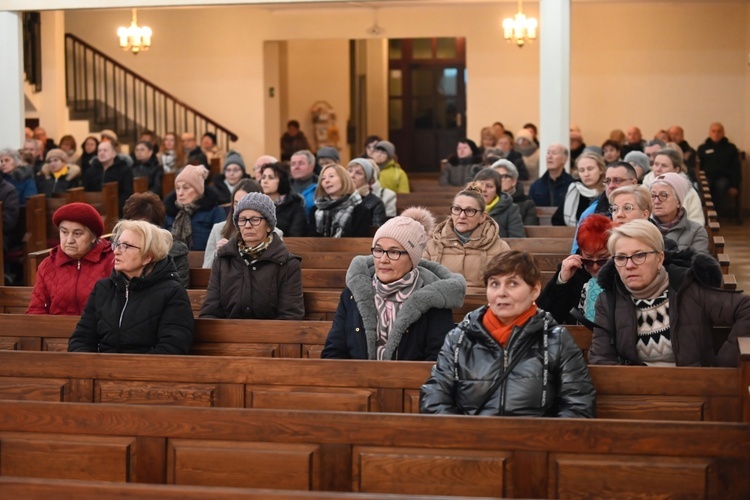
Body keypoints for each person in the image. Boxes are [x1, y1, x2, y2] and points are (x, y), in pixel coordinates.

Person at [420, 250, 595, 417]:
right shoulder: (459, 338)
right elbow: (434, 397)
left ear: (534, 290)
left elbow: (578, 404)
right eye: (494, 284)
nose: (501, 293)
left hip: (535, 444)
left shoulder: (556, 340)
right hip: (472, 442)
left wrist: (543, 440)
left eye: (513, 284)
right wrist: (465, 436)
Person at [591, 219, 750, 367]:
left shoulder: (689, 288)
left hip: (696, 388)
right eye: (621, 257)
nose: (629, 265)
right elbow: (601, 358)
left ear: (659, 258)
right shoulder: (608, 300)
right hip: (636, 391)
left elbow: (747, 308)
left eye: (639, 255)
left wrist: (723, 367)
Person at [321, 207, 466, 360]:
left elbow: (439, 359)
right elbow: (334, 351)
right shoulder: (354, 293)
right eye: (378, 250)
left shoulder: (434, 297)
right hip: (355, 381)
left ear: (412, 259)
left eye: (394, 252)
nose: (383, 259)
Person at [68, 220, 194, 354]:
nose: (116, 251)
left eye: (126, 246)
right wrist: (92, 369)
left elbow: (172, 347)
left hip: (146, 372)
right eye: (117, 245)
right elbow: (81, 339)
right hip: (100, 370)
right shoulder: (103, 288)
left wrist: (128, 370)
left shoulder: (172, 292)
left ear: (147, 257)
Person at [200, 192, 304, 320]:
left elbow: (290, 316)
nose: (248, 225)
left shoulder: (287, 264)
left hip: (272, 337)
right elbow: (210, 312)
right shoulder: (223, 260)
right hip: (227, 336)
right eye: (242, 220)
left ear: (268, 226)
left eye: (255, 220)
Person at [26, 203, 114, 315]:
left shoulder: (112, 261)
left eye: (77, 233)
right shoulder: (48, 265)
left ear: (93, 237)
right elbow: (36, 310)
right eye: (64, 232)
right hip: (56, 331)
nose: (69, 240)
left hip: (100, 331)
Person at [424, 185, 511, 293]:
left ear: (482, 217)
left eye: (469, 211)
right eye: (457, 209)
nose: (462, 216)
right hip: (441, 304)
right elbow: (422, 282)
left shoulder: (500, 248)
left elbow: (507, 284)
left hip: (483, 305)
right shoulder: (432, 245)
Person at [537, 214, 612, 325]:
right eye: (589, 261)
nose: (595, 267)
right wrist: (561, 281)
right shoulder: (574, 270)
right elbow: (545, 319)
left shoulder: (621, 271)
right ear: (581, 253)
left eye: (603, 260)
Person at [123, 192, 190, 288]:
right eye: (132, 225)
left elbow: (179, 291)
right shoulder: (121, 250)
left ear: (156, 227)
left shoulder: (176, 253)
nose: (135, 230)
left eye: (141, 226)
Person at [203, 178, 263, 269]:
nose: (239, 208)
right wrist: (218, 253)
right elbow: (205, 270)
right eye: (236, 203)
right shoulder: (218, 229)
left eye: (245, 203)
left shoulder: (274, 233)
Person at [164, 164, 226, 251]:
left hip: (204, 261)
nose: (180, 193)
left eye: (186, 188)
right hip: (174, 261)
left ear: (198, 191)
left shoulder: (215, 211)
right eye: (177, 188)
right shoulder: (170, 212)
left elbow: (220, 241)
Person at [650, 173, 709, 253]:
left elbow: (700, 263)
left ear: (678, 202)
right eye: (653, 196)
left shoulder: (696, 231)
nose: (656, 201)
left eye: (663, 195)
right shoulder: (642, 228)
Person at [309, 164, 372, 238]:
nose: (327, 181)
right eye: (323, 178)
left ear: (343, 179)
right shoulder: (316, 209)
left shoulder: (360, 211)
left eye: (331, 176)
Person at [697, 122, 742, 218]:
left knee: (720, 185)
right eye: (713, 131)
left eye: (719, 131)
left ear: (723, 133)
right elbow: (698, 167)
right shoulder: (702, 148)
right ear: (709, 133)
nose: (716, 134)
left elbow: (736, 168)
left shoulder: (730, 148)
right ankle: (705, 213)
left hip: (724, 178)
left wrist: (735, 186)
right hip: (707, 177)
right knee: (704, 186)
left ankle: (714, 212)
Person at [82, 139, 133, 216]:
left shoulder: (124, 170)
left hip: (118, 211)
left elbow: (127, 193)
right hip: (94, 210)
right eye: (99, 151)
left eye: (105, 150)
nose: (102, 153)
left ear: (113, 154)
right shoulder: (90, 171)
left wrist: (114, 209)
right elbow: (85, 191)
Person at [552, 152, 604, 227]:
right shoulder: (574, 190)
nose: (586, 174)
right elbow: (557, 221)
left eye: (590, 169)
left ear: (601, 170)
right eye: (582, 170)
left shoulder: (609, 191)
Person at [473, 168, 525, 238]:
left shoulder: (511, 209)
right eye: (480, 185)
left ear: (497, 190)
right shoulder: (464, 207)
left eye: (489, 186)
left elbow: (517, 239)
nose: (483, 189)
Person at [260, 162, 308, 236]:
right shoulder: (255, 204)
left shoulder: (295, 206)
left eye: (271, 177)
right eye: (263, 177)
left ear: (282, 181)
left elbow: (295, 236)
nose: (265, 181)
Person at [490, 159, 539, 225]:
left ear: (513, 181)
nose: (498, 180)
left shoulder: (527, 203)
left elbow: (529, 230)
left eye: (502, 177)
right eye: (495, 177)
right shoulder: (487, 201)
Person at [346, 158, 387, 227]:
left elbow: (375, 231)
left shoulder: (376, 203)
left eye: (359, 173)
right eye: (349, 171)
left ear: (367, 179)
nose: (352, 175)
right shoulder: (338, 196)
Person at [289, 150, 318, 215]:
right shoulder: (284, 187)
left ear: (311, 166)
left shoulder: (321, 186)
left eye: (301, 163)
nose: (296, 167)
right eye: (293, 164)